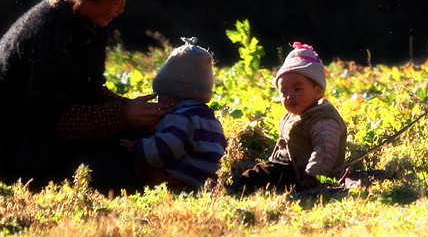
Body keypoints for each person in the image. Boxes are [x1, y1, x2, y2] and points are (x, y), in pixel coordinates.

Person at [0, 0, 163, 192]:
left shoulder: (89, 24)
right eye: (115, 0)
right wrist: (124, 115)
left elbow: (87, 91)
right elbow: (54, 120)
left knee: (144, 149)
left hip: (57, 141)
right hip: (18, 158)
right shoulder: (49, 34)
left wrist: (133, 111)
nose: (120, 10)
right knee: (123, 179)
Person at [230, 42, 348, 194]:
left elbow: (325, 150)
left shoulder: (322, 119)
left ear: (318, 91)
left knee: (262, 175)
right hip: (286, 167)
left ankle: (237, 186)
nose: (289, 96)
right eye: (283, 92)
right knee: (263, 172)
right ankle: (236, 183)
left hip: (300, 173)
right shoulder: (294, 115)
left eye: (297, 89)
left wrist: (312, 176)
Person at [120, 38, 227, 189]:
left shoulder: (180, 118)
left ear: (172, 97)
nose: (158, 99)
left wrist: (137, 146)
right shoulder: (209, 118)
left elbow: (164, 150)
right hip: (209, 179)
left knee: (141, 166)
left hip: (186, 178)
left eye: (160, 95)